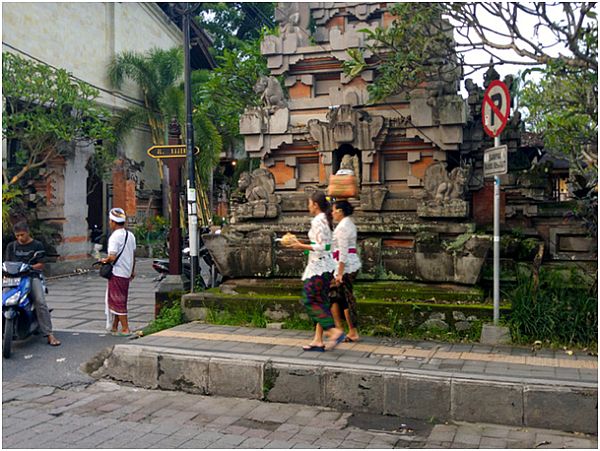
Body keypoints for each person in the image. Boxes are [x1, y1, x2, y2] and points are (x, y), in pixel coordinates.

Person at [285, 191, 346, 351]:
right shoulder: (326, 220)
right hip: (326, 266)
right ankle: (318, 340)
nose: (308, 206)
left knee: (310, 299)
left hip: (318, 268)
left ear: (315, 205)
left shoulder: (318, 221)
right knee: (322, 302)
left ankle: (333, 331)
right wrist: (306, 247)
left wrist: (301, 246)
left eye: (309, 203)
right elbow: (326, 246)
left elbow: (320, 247)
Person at [4, 221, 61, 346]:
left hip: (31, 276)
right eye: (17, 235)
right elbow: (6, 263)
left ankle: (49, 334)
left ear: (28, 232)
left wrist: (30, 267)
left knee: (40, 302)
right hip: (13, 279)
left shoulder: (37, 245)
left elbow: (41, 264)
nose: (20, 238)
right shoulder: (11, 246)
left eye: (22, 235)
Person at [100, 208, 136, 336]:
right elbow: (133, 255)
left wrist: (104, 260)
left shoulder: (114, 237)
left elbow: (112, 257)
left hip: (117, 272)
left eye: (110, 221)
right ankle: (115, 326)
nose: (110, 223)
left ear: (113, 222)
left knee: (117, 301)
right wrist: (132, 271)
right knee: (119, 299)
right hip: (126, 272)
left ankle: (125, 328)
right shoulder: (130, 235)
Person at [330, 200, 362, 342]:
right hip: (346, 265)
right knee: (337, 297)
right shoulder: (348, 224)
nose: (332, 213)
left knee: (345, 298)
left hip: (346, 267)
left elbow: (343, 252)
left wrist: (340, 273)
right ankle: (342, 329)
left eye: (334, 210)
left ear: (340, 211)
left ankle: (351, 330)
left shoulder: (343, 227)